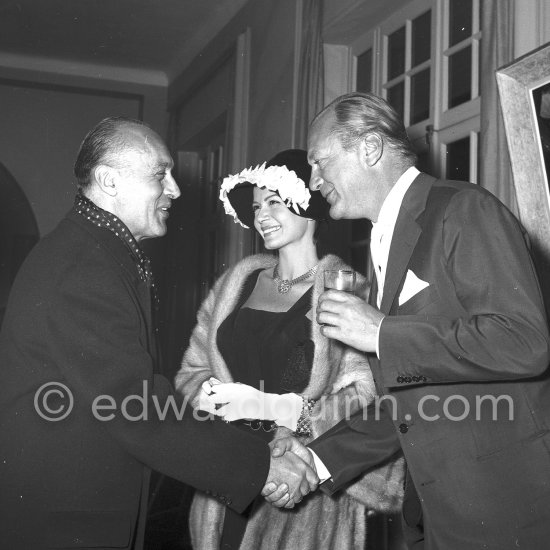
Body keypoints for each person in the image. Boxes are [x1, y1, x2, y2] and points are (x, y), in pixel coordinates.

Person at [0, 117, 317, 550]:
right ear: (109, 181)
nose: (175, 188)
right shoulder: (85, 268)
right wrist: (261, 468)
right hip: (67, 520)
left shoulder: (94, 253)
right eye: (159, 174)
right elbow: (134, 404)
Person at [265, 92, 550, 549]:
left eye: (320, 163)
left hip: (508, 511)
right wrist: (316, 461)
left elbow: (524, 341)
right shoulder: (384, 241)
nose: (312, 181)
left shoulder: (462, 209)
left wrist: (380, 332)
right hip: (438, 517)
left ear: (370, 148)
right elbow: (410, 402)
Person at [175, 149, 404, 550]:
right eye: (257, 206)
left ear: (309, 206)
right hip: (229, 475)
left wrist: (274, 410)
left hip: (301, 492)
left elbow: (365, 398)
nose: (262, 215)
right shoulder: (235, 284)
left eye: (275, 203)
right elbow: (190, 374)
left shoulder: (347, 289)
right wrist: (217, 403)